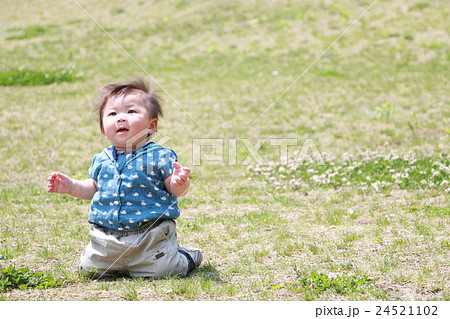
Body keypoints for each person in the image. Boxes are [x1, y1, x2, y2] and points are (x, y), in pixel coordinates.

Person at [47, 77, 202, 279]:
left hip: (150, 235)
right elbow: (94, 188)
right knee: (88, 270)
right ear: (104, 129)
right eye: (112, 113)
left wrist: (180, 181)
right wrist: (71, 186)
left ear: (152, 125)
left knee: (164, 271)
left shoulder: (159, 156)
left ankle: (185, 257)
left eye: (131, 111)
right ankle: (116, 261)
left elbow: (174, 189)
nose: (121, 118)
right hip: (107, 237)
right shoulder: (102, 159)